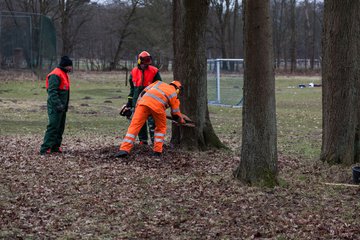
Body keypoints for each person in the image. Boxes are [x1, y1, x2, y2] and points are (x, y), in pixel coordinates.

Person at [115, 80, 185, 158]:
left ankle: (124, 149)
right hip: (158, 108)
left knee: (134, 126)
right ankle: (157, 151)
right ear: (177, 89)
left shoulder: (158, 83)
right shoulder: (174, 94)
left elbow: (142, 93)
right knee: (160, 128)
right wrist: (181, 121)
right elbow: (176, 114)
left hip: (143, 103)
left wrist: (137, 107)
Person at [126, 51, 162, 145]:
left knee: (152, 122)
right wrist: (129, 102)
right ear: (139, 62)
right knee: (139, 123)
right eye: (144, 64)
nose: (145, 66)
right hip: (137, 102)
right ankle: (143, 141)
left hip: (151, 102)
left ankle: (154, 141)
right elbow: (132, 89)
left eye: (147, 63)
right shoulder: (133, 72)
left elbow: (160, 86)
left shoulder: (154, 71)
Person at [39, 56, 73, 155]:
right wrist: (58, 104)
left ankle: (55, 147)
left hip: (62, 107)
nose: (71, 68)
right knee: (53, 127)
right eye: (70, 66)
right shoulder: (55, 75)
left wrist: (63, 106)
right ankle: (45, 148)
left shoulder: (63, 73)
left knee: (60, 127)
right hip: (55, 107)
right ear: (66, 65)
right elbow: (52, 92)